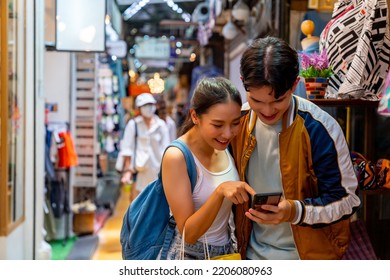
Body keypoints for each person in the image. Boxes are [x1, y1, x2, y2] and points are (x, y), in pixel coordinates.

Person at [229, 36, 361, 260]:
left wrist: (294, 211)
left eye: (278, 100)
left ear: (294, 84)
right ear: (243, 83)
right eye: (257, 101)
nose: (268, 111)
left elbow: (347, 201)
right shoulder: (236, 124)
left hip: (308, 259)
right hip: (248, 255)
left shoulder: (318, 127)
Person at [158, 77, 255, 260]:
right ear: (195, 116)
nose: (227, 134)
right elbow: (189, 234)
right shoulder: (177, 156)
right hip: (191, 255)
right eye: (218, 125)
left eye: (235, 123)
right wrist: (219, 192)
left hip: (228, 250)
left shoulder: (225, 145)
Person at [120, 93, 170, 200]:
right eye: (145, 105)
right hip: (139, 171)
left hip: (157, 170)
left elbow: (167, 149)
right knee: (136, 203)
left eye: (151, 104)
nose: (149, 108)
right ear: (139, 108)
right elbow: (127, 148)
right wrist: (127, 171)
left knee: (155, 202)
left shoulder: (161, 125)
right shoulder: (133, 125)